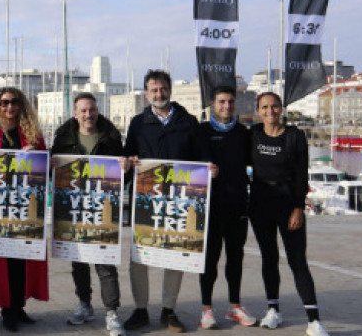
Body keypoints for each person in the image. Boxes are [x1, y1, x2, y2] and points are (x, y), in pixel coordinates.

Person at [120, 70, 211, 334]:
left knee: (175, 256)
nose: (158, 94)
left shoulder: (189, 122)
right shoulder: (138, 123)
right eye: (153, 90)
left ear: (170, 90)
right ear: (146, 93)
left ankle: (169, 309)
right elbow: (128, 156)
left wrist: (209, 170)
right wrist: (129, 162)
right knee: (139, 257)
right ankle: (140, 309)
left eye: (162, 89)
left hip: (180, 201)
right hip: (146, 200)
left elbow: (202, 159)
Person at [249, 92, 329, 336]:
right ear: (258, 110)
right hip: (260, 207)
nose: (270, 111)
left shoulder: (294, 137)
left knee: (297, 261)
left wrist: (298, 207)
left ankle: (314, 320)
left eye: (274, 106)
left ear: (281, 109)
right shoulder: (252, 135)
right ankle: (273, 310)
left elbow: (301, 176)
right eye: (265, 107)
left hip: (288, 207)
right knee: (269, 258)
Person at [51, 93, 125, 336]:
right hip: (73, 208)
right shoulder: (62, 137)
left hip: (102, 209)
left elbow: (123, 176)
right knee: (79, 262)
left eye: (92, 109)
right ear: (75, 113)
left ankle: (112, 312)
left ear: (97, 110)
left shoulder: (112, 136)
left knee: (105, 263)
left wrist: (127, 168)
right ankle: (85, 305)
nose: (88, 114)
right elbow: (53, 170)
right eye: (83, 110)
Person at [0, 87, 48, 332]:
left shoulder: (33, 135)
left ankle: (18, 307)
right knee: (3, 260)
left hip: (26, 207)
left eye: (14, 102)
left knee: (22, 259)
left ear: (21, 105)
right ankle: (7, 311)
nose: (9, 107)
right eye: (4, 102)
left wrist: (34, 155)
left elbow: (44, 167)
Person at [196, 86, 257, 329]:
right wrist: (203, 169)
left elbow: (254, 165)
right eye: (222, 102)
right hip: (210, 207)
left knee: (235, 258)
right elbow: (186, 164)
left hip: (238, 205)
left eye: (231, 102)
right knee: (209, 260)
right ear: (213, 103)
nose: (227, 106)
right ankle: (206, 309)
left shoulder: (244, 133)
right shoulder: (201, 131)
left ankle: (234, 306)